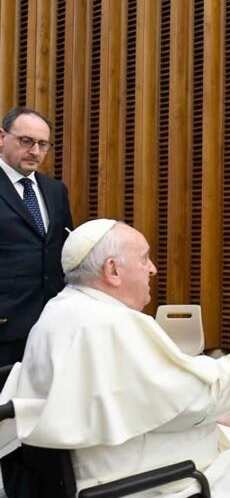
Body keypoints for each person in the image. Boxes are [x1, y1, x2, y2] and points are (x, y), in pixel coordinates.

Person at [0, 219, 230, 497]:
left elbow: (130, 399)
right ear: (112, 270)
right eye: (144, 259)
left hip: (101, 459)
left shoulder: (63, 311)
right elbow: (197, 396)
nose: (153, 269)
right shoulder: (114, 325)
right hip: (133, 477)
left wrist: (215, 419)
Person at [0, 106, 73, 497]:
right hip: (6, 329)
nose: (35, 151)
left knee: (48, 418)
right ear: (2, 138)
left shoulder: (53, 190)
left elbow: (64, 250)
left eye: (42, 144)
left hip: (50, 328)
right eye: (26, 141)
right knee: (10, 426)